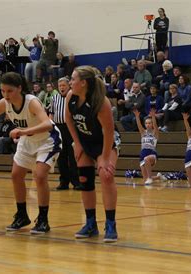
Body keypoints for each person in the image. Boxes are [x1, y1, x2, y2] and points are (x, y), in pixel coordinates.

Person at [0, 72, 62, 234]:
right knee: (16, 175)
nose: (5, 95)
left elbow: (47, 123)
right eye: (3, 91)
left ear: (20, 88)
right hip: (28, 140)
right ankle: (21, 215)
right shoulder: (5, 103)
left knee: (40, 176)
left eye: (9, 91)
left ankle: (43, 219)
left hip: (47, 140)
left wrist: (22, 131)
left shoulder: (31, 102)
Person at [64, 65, 119, 243]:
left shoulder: (100, 102)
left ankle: (110, 224)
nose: (69, 82)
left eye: (73, 79)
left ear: (83, 83)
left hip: (106, 141)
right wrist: (77, 144)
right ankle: (90, 223)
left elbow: (109, 132)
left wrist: (104, 157)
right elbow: (68, 120)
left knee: (106, 175)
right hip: (86, 141)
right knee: (84, 179)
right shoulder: (71, 97)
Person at [50, 77, 80, 190]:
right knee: (61, 156)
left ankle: (76, 182)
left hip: (71, 128)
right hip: (59, 128)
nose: (61, 88)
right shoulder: (54, 98)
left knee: (73, 156)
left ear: (69, 86)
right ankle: (64, 182)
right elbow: (51, 113)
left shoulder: (74, 97)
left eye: (63, 85)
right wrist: (51, 128)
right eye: (60, 86)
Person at [134, 108, 163, 185]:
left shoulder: (155, 133)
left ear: (152, 124)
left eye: (149, 123)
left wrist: (153, 116)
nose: (148, 125)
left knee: (147, 159)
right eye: (146, 123)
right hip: (142, 155)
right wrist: (137, 116)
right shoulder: (143, 133)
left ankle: (150, 178)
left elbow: (156, 126)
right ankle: (158, 177)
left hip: (152, 154)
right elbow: (139, 125)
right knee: (145, 179)